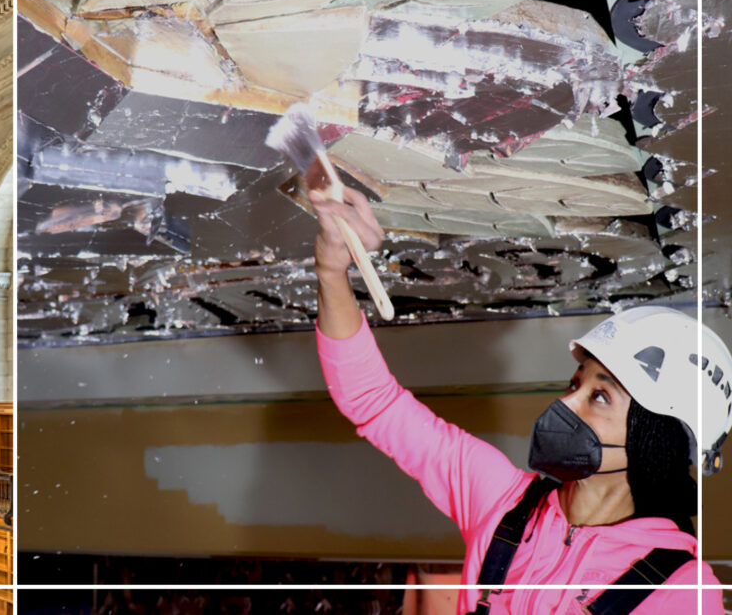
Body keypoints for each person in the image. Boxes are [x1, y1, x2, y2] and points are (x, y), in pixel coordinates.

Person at [307, 184, 725, 612]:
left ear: (657, 440)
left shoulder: (682, 592)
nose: (567, 404)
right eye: (575, 384)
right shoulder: (501, 502)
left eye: (600, 397)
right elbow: (373, 400)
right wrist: (331, 269)